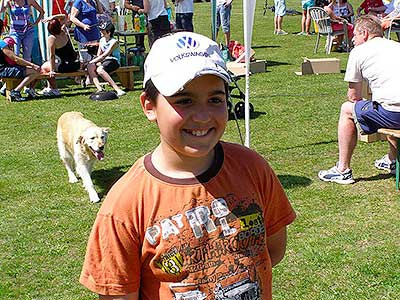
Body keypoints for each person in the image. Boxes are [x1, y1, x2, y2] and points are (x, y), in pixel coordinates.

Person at [80, 31, 296, 299]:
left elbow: (272, 250)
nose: (203, 116)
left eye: (215, 99)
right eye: (184, 100)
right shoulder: (125, 205)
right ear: (149, 106)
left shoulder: (252, 168)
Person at [318, 15, 400, 184]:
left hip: (393, 114)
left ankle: (343, 170)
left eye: (355, 35)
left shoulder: (358, 52)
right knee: (387, 103)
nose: (353, 39)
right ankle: (392, 160)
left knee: (347, 109)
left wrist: (363, 107)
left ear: (364, 33)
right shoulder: (397, 46)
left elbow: (354, 96)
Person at [0, 20, 41, 102]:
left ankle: (9, 90)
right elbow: (15, 58)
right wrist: (32, 65)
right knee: (34, 71)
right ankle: (16, 91)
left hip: (3, 69)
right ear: (2, 29)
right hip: (4, 70)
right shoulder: (1, 44)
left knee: (25, 69)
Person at [40, 15, 80, 96]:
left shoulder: (52, 38)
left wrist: (52, 70)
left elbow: (52, 56)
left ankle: (54, 89)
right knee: (49, 64)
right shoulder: (64, 31)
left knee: (44, 67)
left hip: (66, 66)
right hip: (75, 64)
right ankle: (50, 88)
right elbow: (64, 16)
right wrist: (52, 18)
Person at [87, 22, 125, 96]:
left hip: (113, 61)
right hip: (104, 61)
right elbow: (99, 54)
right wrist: (95, 62)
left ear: (109, 32)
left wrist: (93, 61)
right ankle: (99, 88)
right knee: (90, 66)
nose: (101, 31)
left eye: (103, 30)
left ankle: (117, 89)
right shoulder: (101, 40)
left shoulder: (114, 42)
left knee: (100, 70)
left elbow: (105, 55)